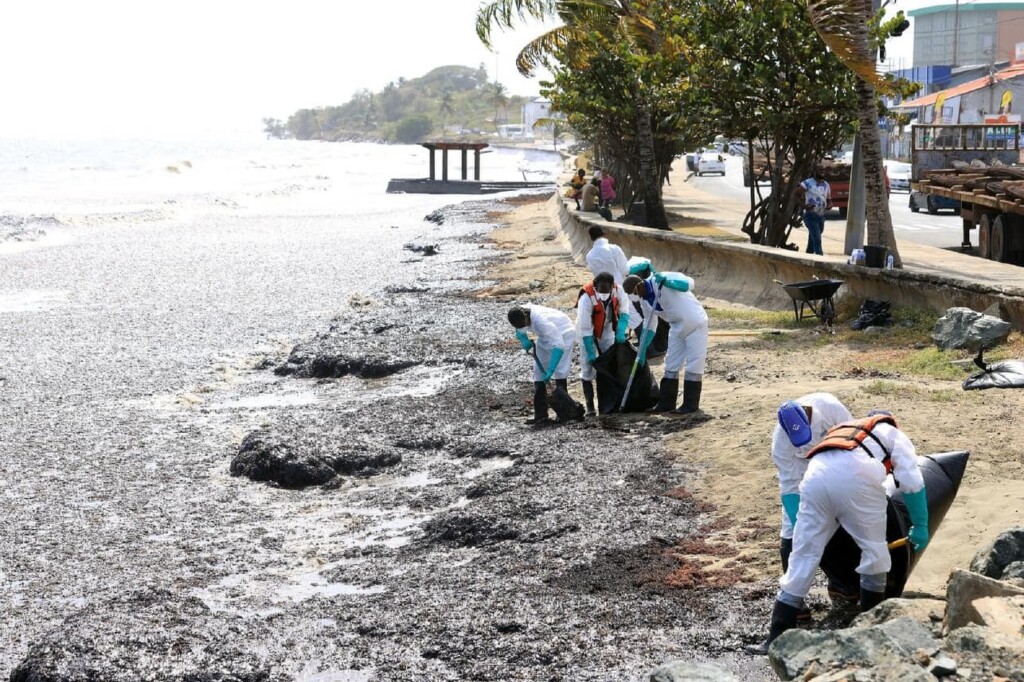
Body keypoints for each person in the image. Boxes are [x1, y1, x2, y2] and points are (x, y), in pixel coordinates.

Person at [761, 410, 929, 648]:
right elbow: (912, 483)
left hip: (814, 478)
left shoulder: (843, 428)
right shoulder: (893, 434)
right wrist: (921, 525)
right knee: (874, 552)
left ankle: (775, 638)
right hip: (857, 476)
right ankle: (870, 631)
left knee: (803, 556)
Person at [772, 394, 856, 608]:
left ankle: (842, 585)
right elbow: (789, 486)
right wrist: (800, 523)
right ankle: (794, 601)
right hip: (801, 471)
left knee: (839, 518)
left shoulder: (831, 408)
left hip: (834, 460)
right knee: (793, 529)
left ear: (808, 415)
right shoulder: (780, 443)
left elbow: (852, 443)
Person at [622, 271, 708, 414]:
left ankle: (690, 405)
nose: (635, 297)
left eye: (633, 292)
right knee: (671, 364)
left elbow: (689, 283)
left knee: (694, 363)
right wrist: (642, 349)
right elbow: (649, 324)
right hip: (676, 326)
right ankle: (666, 403)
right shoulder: (644, 300)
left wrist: (671, 283)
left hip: (696, 322)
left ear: (639, 285)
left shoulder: (660, 279)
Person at [507, 304, 577, 425]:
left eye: (523, 325)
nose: (522, 327)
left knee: (560, 370)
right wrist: (523, 338)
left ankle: (565, 411)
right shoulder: (518, 312)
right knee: (538, 373)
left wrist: (550, 369)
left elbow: (559, 345)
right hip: (544, 336)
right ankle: (540, 415)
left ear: (526, 317)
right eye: (519, 326)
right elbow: (518, 328)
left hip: (564, 332)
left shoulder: (542, 322)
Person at [576, 271, 632, 416]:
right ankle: (590, 406)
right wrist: (590, 351)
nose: (604, 293)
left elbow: (625, 312)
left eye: (607, 290)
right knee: (588, 368)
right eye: (601, 290)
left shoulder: (618, 290)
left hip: (607, 329)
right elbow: (586, 328)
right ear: (595, 287)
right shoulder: (586, 298)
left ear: (612, 286)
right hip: (585, 332)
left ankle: (609, 402)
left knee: (608, 363)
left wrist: (621, 330)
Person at [796, 166, 831, 256]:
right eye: (820, 170)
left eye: (823, 170)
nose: (822, 172)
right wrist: (804, 206)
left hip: (821, 215)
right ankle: (820, 259)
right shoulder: (807, 183)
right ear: (815, 171)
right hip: (810, 215)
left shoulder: (826, 185)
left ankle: (808, 255)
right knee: (817, 239)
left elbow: (828, 199)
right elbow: (796, 195)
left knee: (813, 237)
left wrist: (830, 204)